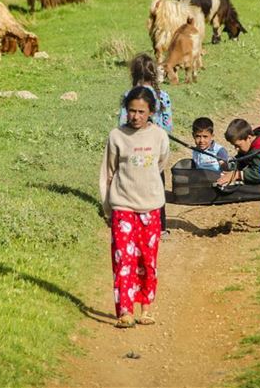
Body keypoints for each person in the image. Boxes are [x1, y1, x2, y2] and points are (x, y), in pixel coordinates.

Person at [101, 86, 170, 328]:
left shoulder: (160, 136)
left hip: (150, 207)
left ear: (151, 112)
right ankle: (125, 311)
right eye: (131, 111)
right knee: (123, 260)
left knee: (147, 260)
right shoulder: (116, 136)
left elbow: (160, 164)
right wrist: (108, 206)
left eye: (141, 111)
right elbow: (108, 172)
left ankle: (146, 308)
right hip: (123, 206)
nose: (136, 116)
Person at [118, 53, 172, 236]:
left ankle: (131, 223)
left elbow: (121, 124)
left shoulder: (129, 96)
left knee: (131, 185)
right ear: (154, 74)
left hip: (132, 149)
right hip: (155, 150)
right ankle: (160, 226)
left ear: (134, 73)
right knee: (157, 186)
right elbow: (168, 126)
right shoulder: (162, 96)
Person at [216, 118, 260, 186]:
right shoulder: (250, 144)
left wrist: (237, 175)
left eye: (238, 145)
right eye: (234, 145)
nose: (236, 149)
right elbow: (242, 159)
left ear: (249, 137)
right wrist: (229, 166)